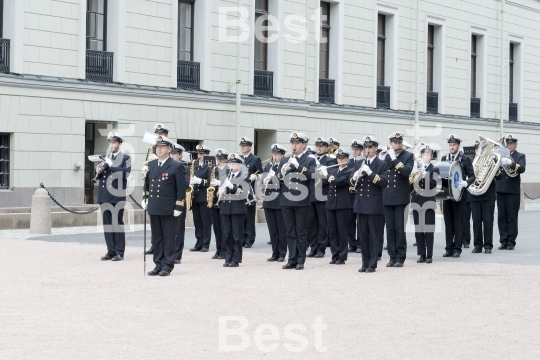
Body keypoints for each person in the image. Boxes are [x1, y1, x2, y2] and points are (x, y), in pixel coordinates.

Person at [141, 135, 186, 276]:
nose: (158, 149)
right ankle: (158, 264)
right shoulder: (152, 165)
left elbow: (181, 188)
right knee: (157, 238)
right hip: (154, 206)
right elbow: (147, 184)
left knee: (169, 237)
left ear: (168, 149)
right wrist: (145, 198)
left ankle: (167, 265)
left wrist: (179, 206)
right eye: (157, 147)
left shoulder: (176, 166)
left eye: (161, 147)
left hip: (168, 207)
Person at [279, 132, 317, 270]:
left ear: (304, 144)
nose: (294, 146)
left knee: (301, 231)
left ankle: (300, 260)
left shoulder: (309, 160)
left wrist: (298, 166)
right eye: (292, 143)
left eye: (297, 143)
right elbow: (278, 180)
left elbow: (313, 176)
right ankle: (291, 259)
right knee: (290, 231)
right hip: (287, 200)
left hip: (301, 201)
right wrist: (282, 172)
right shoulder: (285, 160)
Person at [350, 136, 388, 273]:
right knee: (363, 236)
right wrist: (354, 178)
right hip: (360, 204)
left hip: (373, 205)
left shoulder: (382, 164)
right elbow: (351, 184)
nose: (367, 150)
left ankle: (372, 263)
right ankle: (364, 263)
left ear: (376, 148)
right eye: (365, 147)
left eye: (370, 147)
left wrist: (370, 173)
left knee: (373, 236)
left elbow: (384, 183)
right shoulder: (359, 163)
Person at [97, 131, 131, 261]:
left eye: (114, 142)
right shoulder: (105, 157)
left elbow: (125, 174)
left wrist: (112, 165)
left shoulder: (126, 158)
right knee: (107, 225)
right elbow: (100, 176)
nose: (112, 144)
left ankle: (119, 252)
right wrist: (98, 169)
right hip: (104, 195)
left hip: (116, 196)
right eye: (110, 142)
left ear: (120, 143)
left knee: (117, 224)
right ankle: (110, 250)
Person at [382, 132, 414, 268]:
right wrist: (384, 157)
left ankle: (400, 257)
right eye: (395, 142)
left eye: (400, 142)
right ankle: (392, 256)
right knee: (389, 228)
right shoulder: (385, 156)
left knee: (399, 228)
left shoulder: (408, 156)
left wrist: (394, 159)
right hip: (387, 196)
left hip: (400, 196)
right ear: (391, 144)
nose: (398, 144)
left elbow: (406, 172)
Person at [441, 134, 475, 258]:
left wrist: (466, 183)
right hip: (447, 194)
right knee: (448, 222)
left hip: (460, 194)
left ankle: (457, 249)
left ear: (458, 145)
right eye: (450, 145)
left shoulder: (465, 158)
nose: (452, 147)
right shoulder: (444, 158)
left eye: (454, 145)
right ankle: (449, 248)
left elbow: (472, 176)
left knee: (458, 222)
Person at [144, 123, 171, 255]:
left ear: (166, 135)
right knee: (154, 224)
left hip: (165, 190)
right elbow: (147, 163)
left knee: (167, 227)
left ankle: (167, 250)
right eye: (157, 134)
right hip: (154, 185)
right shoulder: (152, 148)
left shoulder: (170, 147)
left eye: (161, 134)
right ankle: (155, 245)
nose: (158, 136)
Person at [496, 134, 526, 250]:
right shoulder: (501, 156)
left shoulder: (520, 156)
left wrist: (511, 163)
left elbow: (522, 169)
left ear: (515, 144)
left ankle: (511, 241)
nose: (509, 145)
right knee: (502, 217)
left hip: (512, 191)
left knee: (512, 217)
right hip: (500, 189)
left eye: (511, 143)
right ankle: (503, 241)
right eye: (508, 143)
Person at [322, 148, 352, 265]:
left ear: (347, 159)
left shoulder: (349, 171)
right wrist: (323, 174)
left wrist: (329, 177)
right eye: (339, 158)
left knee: (342, 231)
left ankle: (342, 256)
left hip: (342, 205)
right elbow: (324, 184)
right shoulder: (333, 171)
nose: (341, 160)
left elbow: (341, 181)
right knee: (333, 231)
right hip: (331, 204)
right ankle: (334, 255)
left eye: (343, 158)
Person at [308, 137, 337, 258]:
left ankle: (321, 248)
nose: (319, 148)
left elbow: (329, 177)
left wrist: (320, 173)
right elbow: (308, 175)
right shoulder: (310, 160)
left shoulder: (330, 161)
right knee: (311, 223)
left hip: (323, 194)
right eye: (317, 146)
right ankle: (313, 247)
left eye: (321, 146)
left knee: (322, 224)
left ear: (326, 148)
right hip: (310, 194)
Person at [218, 153, 248, 267]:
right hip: (226, 208)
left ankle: (236, 259)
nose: (231, 165)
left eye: (234, 163)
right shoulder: (225, 176)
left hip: (237, 209)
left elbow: (244, 194)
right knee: (227, 234)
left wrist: (233, 187)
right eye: (230, 163)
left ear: (240, 165)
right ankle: (228, 257)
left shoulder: (244, 177)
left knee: (237, 236)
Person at [411, 145, 439, 264]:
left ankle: (429, 255)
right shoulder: (416, 168)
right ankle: (421, 254)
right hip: (417, 201)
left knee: (428, 229)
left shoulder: (434, 169)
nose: (426, 157)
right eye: (423, 155)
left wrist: (424, 174)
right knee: (419, 229)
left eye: (428, 155)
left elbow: (433, 184)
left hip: (428, 201)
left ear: (431, 156)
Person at [262, 144, 287, 262]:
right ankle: (274, 253)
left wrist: (274, 178)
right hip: (269, 200)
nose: (275, 156)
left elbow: (285, 182)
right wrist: (265, 179)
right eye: (274, 153)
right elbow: (262, 182)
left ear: (282, 155)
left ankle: (282, 253)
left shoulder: (285, 166)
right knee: (272, 229)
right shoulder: (268, 167)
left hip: (280, 200)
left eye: (277, 154)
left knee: (281, 229)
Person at [239, 137, 263, 248]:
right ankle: (242, 237)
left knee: (249, 216)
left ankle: (250, 238)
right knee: (240, 215)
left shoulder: (255, 159)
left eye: (245, 145)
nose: (242, 147)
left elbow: (261, 173)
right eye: (241, 145)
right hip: (238, 191)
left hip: (249, 191)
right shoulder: (238, 159)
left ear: (250, 147)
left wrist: (256, 176)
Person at [189, 145, 212, 252]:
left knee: (205, 222)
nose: (200, 156)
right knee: (197, 221)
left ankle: (205, 244)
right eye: (199, 153)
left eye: (202, 153)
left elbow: (211, 181)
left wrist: (200, 181)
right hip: (195, 197)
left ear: (207, 154)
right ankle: (198, 242)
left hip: (205, 197)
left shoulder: (210, 166)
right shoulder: (195, 165)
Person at [170, 144, 190, 264]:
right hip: (167, 202)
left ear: (180, 155)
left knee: (178, 230)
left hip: (178, 201)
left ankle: (177, 255)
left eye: (174, 154)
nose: (172, 156)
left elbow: (185, 184)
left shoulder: (184, 167)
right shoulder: (166, 167)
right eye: (171, 154)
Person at [347, 139, 364, 253]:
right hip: (349, 194)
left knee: (360, 220)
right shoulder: (349, 162)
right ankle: (352, 243)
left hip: (360, 194)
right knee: (350, 220)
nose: (355, 151)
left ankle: (360, 244)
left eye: (357, 149)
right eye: (353, 149)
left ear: (361, 150)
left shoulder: (364, 161)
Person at [462, 140, 480, 248]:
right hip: (467, 192)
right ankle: (465, 240)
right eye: (475, 148)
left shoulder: (481, 161)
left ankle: (477, 242)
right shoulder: (466, 159)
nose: (476, 151)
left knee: (476, 219)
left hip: (476, 192)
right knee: (465, 218)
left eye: (477, 149)